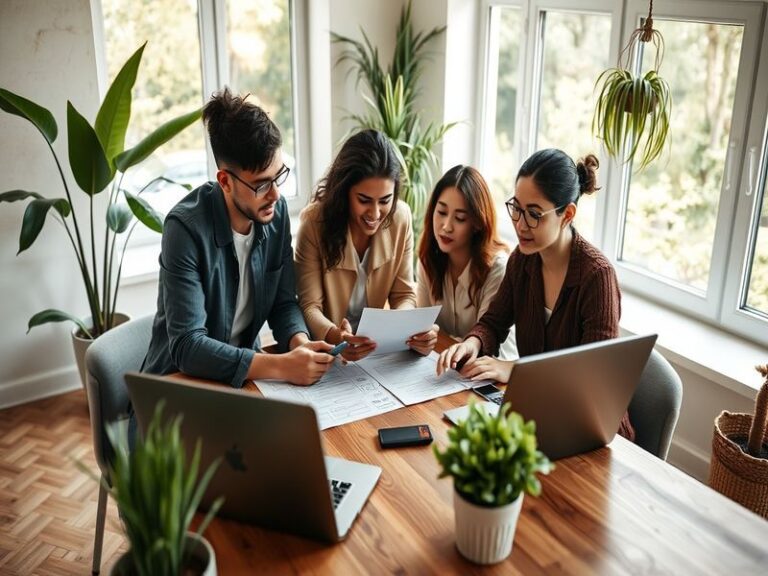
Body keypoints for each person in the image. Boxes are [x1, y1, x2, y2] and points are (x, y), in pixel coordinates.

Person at [142, 88, 335, 388]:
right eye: (261, 185)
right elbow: (188, 347)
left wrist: (299, 344)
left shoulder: (276, 212)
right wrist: (282, 366)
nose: (275, 194)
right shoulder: (184, 229)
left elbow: (283, 303)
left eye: (279, 176)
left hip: (243, 380)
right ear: (225, 181)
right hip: (179, 390)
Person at [437, 149, 634, 440]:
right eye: (516, 208)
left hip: (593, 433)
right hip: (538, 418)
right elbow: (493, 323)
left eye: (533, 214)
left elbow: (591, 381)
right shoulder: (523, 260)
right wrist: (473, 343)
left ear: (567, 214)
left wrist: (514, 370)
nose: (519, 224)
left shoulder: (597, 277)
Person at [294, 129, 436, 361]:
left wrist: (402, 330)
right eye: (364, 200)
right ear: (344, 192)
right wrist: (336, 336)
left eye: (385, 200)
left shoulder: (401, 218)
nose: (375, 213)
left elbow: (405, 296)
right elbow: (310, 307)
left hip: (379, 352)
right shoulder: (313, 223)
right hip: (328, 352)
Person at [416, 165, 517, 358]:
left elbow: (485, 343)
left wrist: (436, 340)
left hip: (495, 375)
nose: (446, 227)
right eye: (442, 212)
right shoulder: (428, 258)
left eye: (460, 218)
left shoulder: (498, 268)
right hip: (445, 368)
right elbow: (422, 330)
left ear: (477, 223)